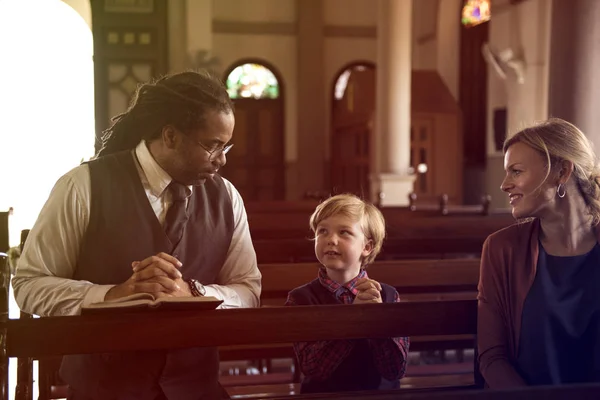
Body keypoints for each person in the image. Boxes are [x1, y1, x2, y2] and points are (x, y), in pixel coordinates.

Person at [12, 70, 262, 399]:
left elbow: (248, 290)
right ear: (170, 136)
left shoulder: (227, 198)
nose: (222, 160)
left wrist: (193, 292)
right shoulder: (82, 186)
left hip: (198, 389)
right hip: (103, 390)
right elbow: (29, 285)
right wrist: (113, 295)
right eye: (211, 146)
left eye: (225, 146)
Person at [478, 118, 600, 388]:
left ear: (562, 172)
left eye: (516, 171)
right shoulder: (501, 249)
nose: (504, 185)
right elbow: (492, 357)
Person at [285, 194, 409, 394]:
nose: (331, 240)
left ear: (366, 247)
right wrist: (354, 318)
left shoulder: (387, 296)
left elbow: (395, 369)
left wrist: (377, 319)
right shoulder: (301, 299)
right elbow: (314, 369)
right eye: (322, 231)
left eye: (344, 232)